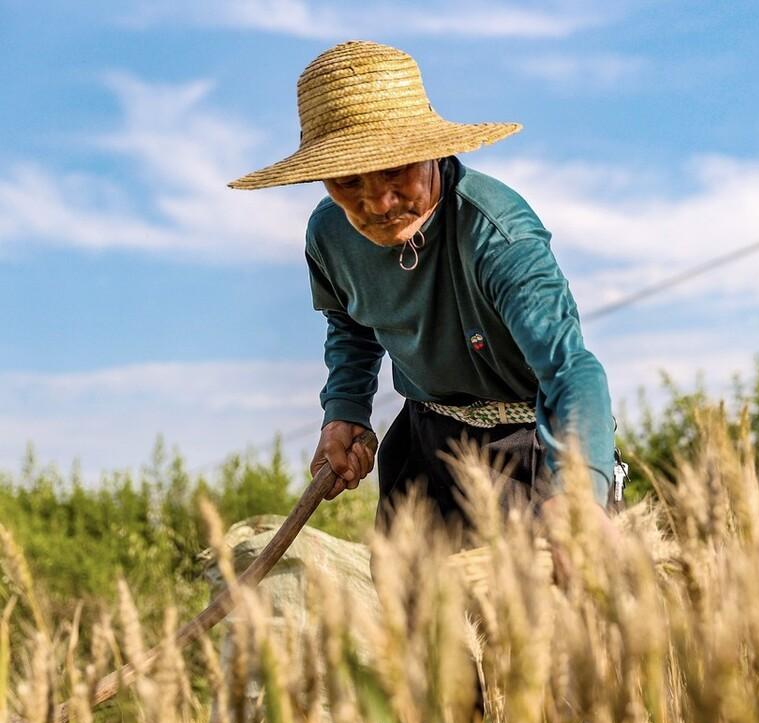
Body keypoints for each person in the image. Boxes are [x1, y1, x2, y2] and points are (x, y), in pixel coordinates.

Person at [229, 40, 618, 534]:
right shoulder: (328, 235)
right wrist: (344, 410)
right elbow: (351, 324)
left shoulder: (497, 234)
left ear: (431, 151)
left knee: (541, 603)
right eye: (348, 181)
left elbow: (570, 369)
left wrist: (579, 493)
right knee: (408, 604)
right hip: (425, 435)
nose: (378, 202)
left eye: (395, 170)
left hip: (532, 442)